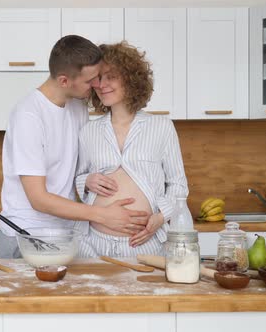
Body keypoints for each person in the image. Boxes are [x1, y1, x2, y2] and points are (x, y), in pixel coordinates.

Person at [0, 35, 150, 259]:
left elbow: (78, 169)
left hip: (64, 233)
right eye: (91, 81)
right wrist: (102, 215)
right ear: (63, 81)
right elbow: (38, 198)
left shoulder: (77, 106)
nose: (97, 85)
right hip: (28, 236)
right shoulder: (28, 116)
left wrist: (88, 179)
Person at [75, 41, 189, 257]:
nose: (102, 84)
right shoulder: (88, 131)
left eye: (111, 76)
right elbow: (78, 179)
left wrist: (160, 217)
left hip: (146, 246)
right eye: (98, 78)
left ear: (130, 78)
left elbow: (178, 184)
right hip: (92, 245)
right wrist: (87, 181)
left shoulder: (162, 127)